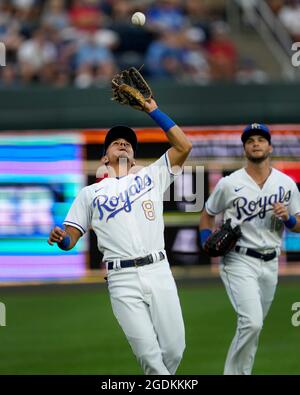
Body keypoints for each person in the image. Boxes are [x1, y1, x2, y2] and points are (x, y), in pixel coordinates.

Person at [48, 97, 192, 375]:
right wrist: (60, 238)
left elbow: (184, 146)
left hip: (158, 270)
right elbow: (70, 239)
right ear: (105, 157)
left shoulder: (152, 176)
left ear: (134, 156)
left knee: (174, 349)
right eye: (116, 142)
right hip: (122, 278)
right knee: (149, 356)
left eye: (128, 142)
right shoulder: (90, 194)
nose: (123, 143)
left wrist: (153, 111)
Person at [199, 123, 300, 375]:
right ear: (244, 148)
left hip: (270, 263)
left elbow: (299, 226)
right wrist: (205, 240)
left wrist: (288, 219)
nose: (256, 143)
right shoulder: (229, 183)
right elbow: (207, 215)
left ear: (270, 146)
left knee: (254, 327)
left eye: (261, 139)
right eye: (250, 140)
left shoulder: (286, 184)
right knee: (252, 323)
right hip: (239, 260)